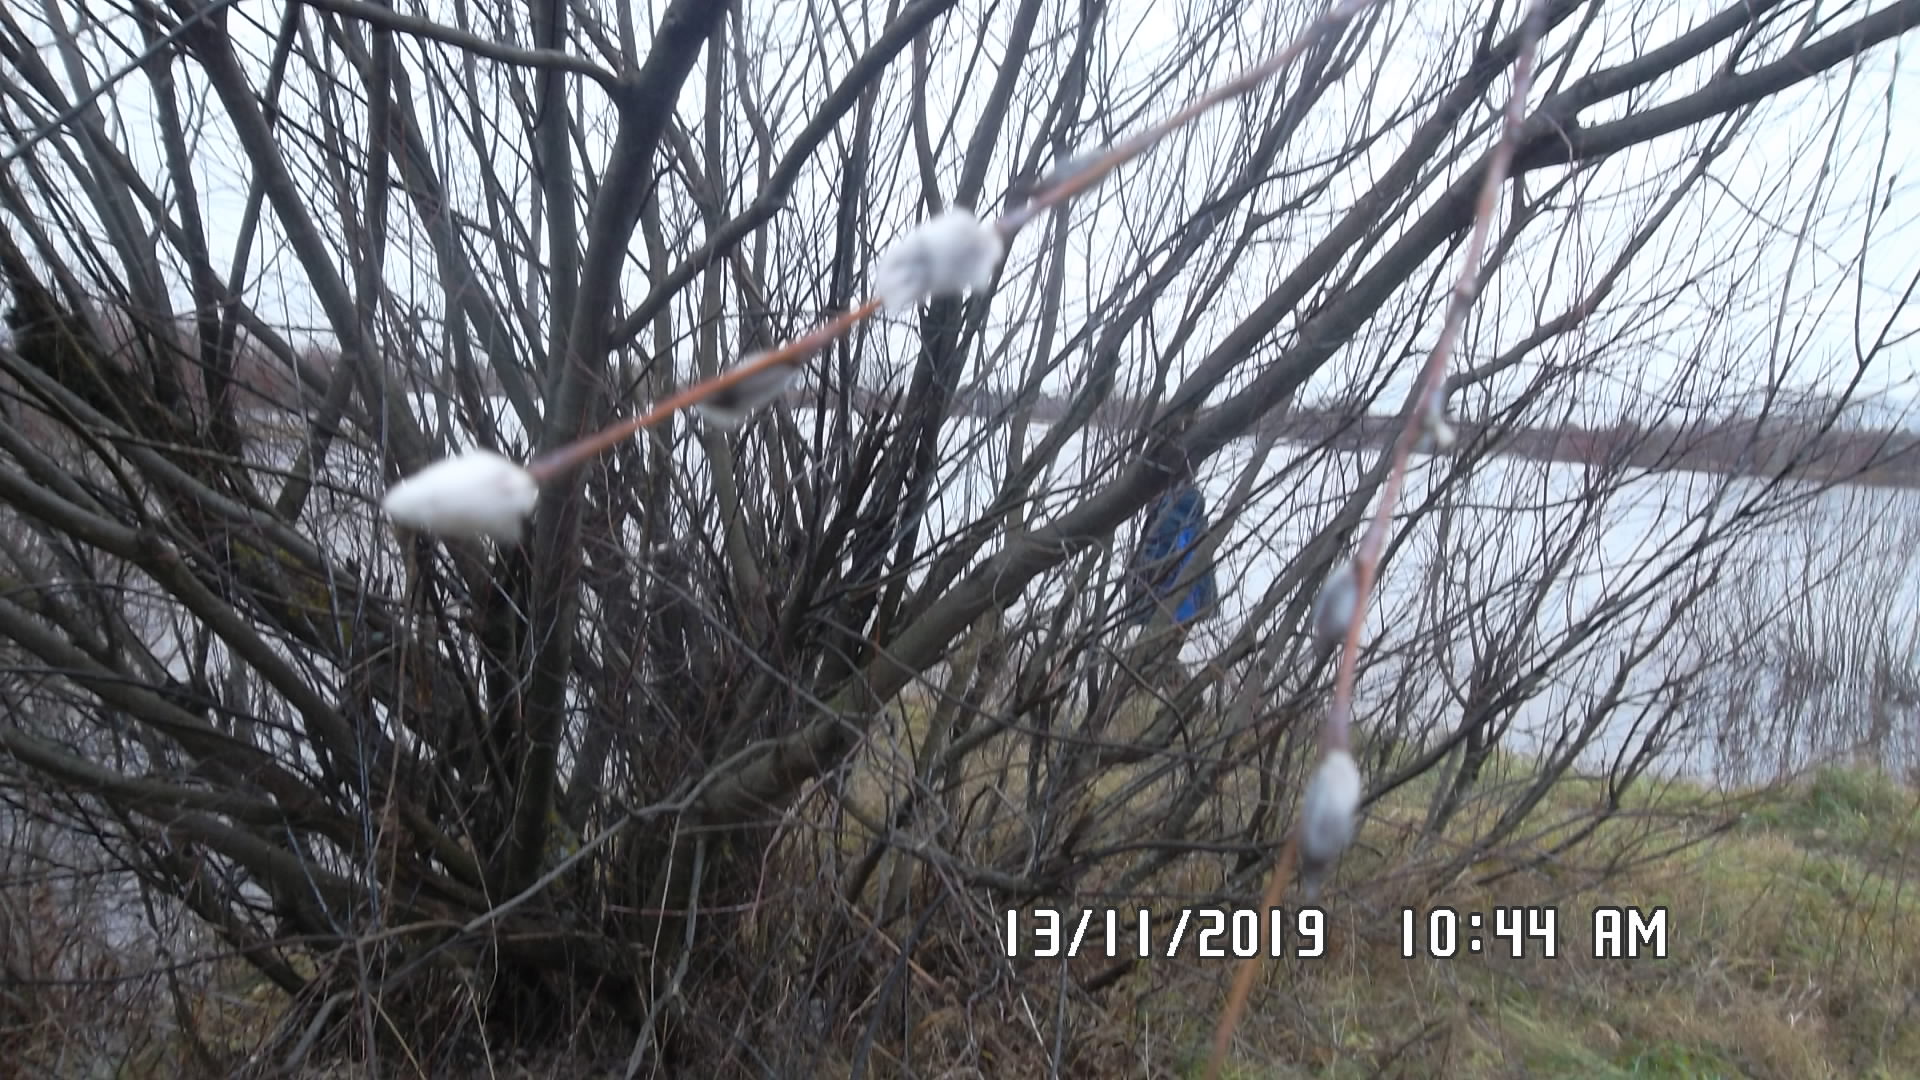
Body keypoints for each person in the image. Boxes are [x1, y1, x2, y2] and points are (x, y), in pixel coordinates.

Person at [1123, 480, 1219, 627]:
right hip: (1190, 602)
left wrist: (1137, 602)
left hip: (1168, 602)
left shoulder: (1168, 513)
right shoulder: (1192, 514)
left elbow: (1159, 560)